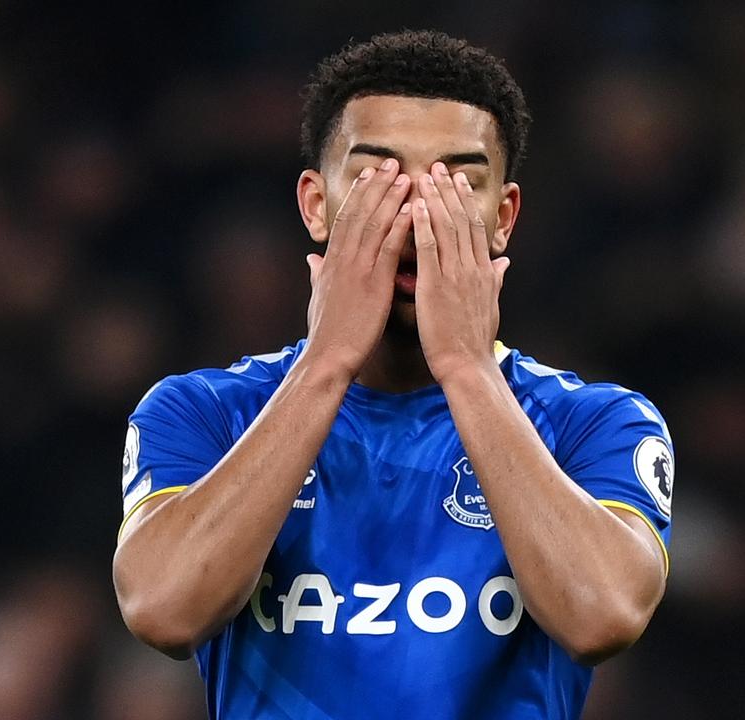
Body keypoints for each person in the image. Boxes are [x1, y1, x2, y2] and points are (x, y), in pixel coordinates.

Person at [113, 29, 674, 719]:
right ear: (316, 204)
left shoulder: (596, 422)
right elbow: (163, 609)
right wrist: (326, 363)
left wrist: (468, 367)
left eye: (456, 184)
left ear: (504, 219)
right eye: (379, 178)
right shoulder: (201, 412)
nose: (414, 217)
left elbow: (604, 617)